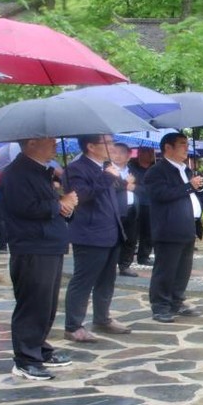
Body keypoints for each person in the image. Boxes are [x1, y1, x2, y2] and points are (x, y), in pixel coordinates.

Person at [1, 137, 77, 380]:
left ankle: (40, 347)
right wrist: (59, 204)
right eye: (49, 140)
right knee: (33, 302)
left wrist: (62, 203)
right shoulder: (17, 173)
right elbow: (26, 208)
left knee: (47, 303)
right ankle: (26, 358)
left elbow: (47, 204)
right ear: (32, 143)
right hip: (32, 245)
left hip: (50, 243)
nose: (55, 144)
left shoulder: (41, 171)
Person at [63, 134, 131, 342]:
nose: (112, 146)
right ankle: (73, 325)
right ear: (91, 146)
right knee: (83, 281)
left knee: (106, 280)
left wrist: (118, 179)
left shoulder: (105, 167)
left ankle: (102, 318)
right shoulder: (76, 169)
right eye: (107, 143)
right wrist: (107, 177)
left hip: (111, 231)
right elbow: (81, 196)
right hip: (90, 234)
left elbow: (116, 190)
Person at [145, 132, 203, 322]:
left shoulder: (186, 169)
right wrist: (189, 186)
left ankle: (176, 301)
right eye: (181, 144)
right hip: (168, 228)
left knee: (183, 270)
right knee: (166, 269)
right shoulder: (157, 171)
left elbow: (194, 195)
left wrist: (200, 187)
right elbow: (161, 194)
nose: (186, 148)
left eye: (187, 143)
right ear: (168, 148)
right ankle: (160, 305)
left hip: (188, 226)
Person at [112, 143, 140, 278]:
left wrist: (133, 186)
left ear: (129, 155)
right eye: (114, 152)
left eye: (121, 152)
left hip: (132, 209)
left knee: (131, 239)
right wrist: (125, 184)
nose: (117, 155)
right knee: (115, 238)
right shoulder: (108, 169)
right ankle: (110, 265)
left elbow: (142, 188)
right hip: (115, 210)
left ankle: (125, 266)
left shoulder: (133, 170)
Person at [129, 146, 156, 267]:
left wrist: (137, 188)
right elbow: (127, 185)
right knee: (132, 233)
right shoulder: (131, 167)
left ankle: (144, 256)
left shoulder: (155, 168)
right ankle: (126, 260)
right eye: (147, 152)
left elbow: (153, 188)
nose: (150, 154)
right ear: (139, 153)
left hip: (150, 204)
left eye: (152, 152)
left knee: (148, 232)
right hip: (135, 204)